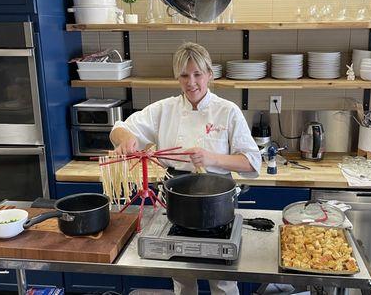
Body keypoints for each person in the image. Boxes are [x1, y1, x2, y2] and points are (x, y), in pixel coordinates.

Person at [110, 42, 261, 295]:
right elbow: (119, 128)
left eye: (197, 74)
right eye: (184, 75)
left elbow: (251, 162)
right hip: (175, 199)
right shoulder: (164, 109)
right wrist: (125, 139)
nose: (191, 82)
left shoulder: (227, 111)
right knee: (182, 274)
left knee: (222, 278)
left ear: (210, 75)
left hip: (216, 199)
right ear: (177, 78)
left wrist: (211, 158)